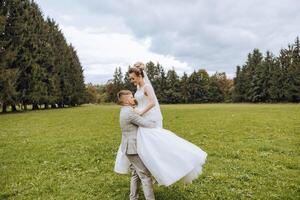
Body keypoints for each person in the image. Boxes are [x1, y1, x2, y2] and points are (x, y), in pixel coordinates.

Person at [114, 62, 207, 187]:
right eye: (130, 78)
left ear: (139, 75)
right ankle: (146, 171)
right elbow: (140, 101)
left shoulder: (147, 87)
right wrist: (134, 109)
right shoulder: (138, 89)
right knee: (145, 146)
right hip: (140, 116)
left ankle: (166, 167)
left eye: (132, 78)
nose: (131, 80)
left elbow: (152, 103)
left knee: (154, 145)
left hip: (148, 116)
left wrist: (140, 112)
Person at [116, 89, 156, 200]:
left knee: (136, 173)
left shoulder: (124, 110)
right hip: (132, 148)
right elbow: (146, 124)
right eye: (132, 97)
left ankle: (133, 197)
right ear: (127, 100)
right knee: (145, 175)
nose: (134, 98)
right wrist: (155, 122)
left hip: (129, 146)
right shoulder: (129, 113)